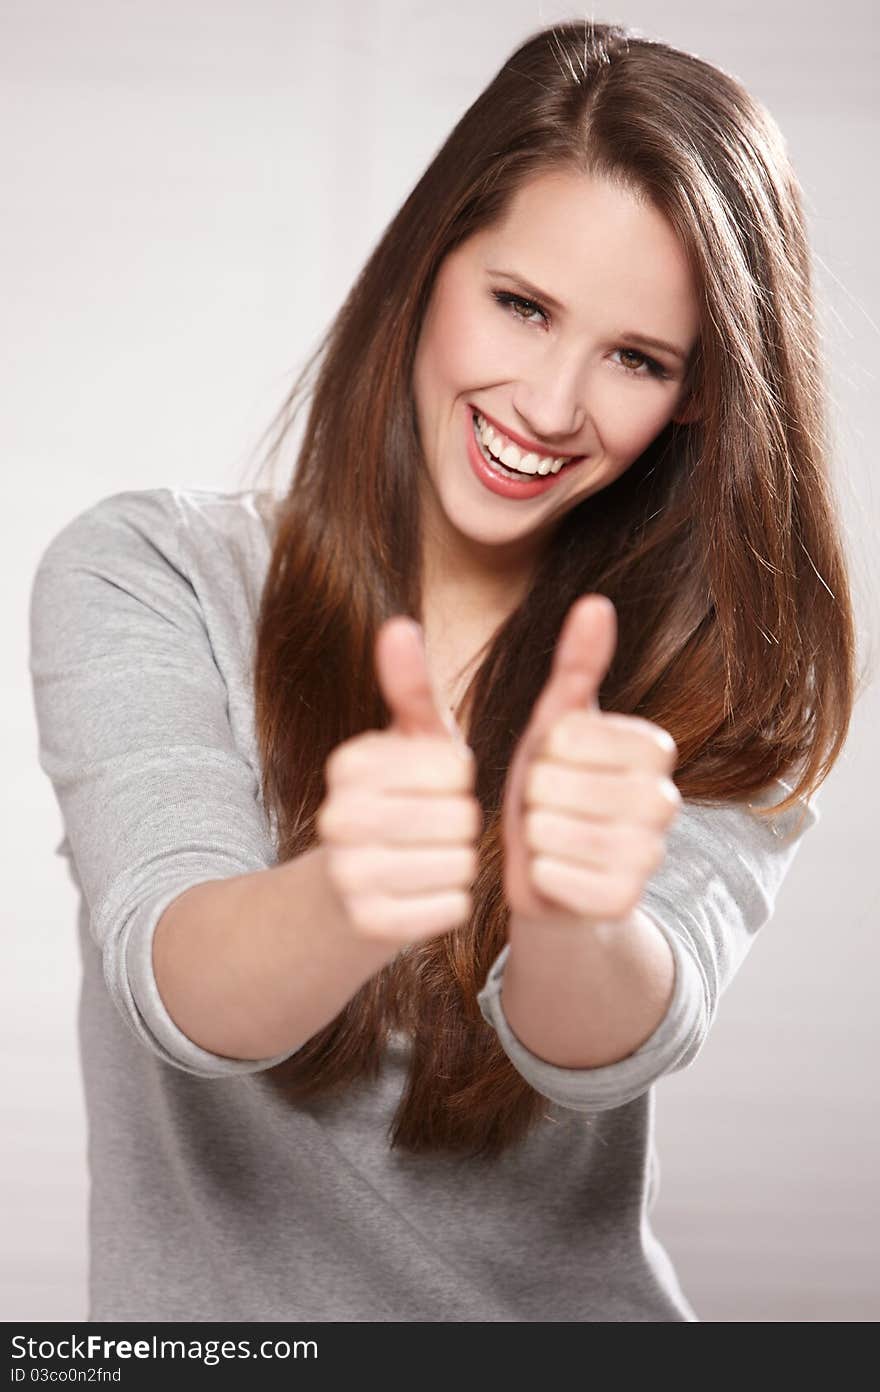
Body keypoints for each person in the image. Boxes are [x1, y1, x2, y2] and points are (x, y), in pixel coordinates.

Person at [28, 20, 858, 1323]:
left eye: (637, 359)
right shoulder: (152, 571)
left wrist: (569, 909)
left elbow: (605, 1047)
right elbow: (174, 979)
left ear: (700, 397)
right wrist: (346, 900)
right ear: (430, 263)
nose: (548, 405)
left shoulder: (725, 674)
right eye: (522, 306)